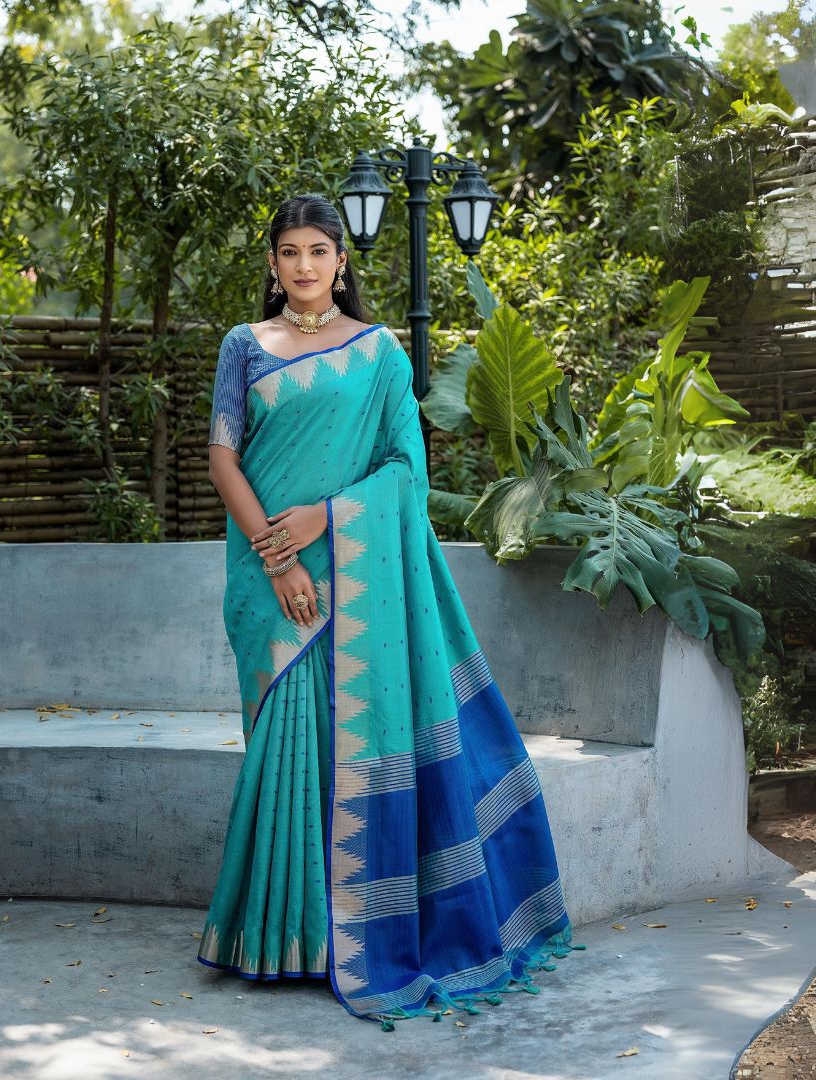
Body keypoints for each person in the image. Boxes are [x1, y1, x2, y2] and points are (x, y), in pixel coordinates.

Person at [197, 192, 585, 1030]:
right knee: (286, 739)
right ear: (272, 264)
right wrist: (279, 552)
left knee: (344, 733)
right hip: (270, 578)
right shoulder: (244, 347)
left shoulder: (379, 357)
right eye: (290, 252)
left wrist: (326, 520)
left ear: (342, 262)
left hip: (355, 580)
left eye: (318, 252)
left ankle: (341, 937)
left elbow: (406, 470)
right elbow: (223, 455)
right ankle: (278, 936)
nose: (304, 266)